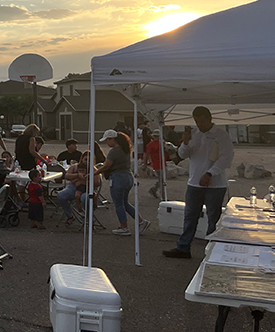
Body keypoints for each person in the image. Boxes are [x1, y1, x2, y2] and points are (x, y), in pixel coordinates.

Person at [163, 106, 234, 259]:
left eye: (202, 121)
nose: (199, 124)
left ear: (209, 119)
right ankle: (183, 248)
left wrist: (210, 173)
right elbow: (182, 154)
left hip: (215, 184)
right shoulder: (194, 133)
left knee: (213, 217)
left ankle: (212, 250)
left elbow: (226, 158)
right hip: (194, 182)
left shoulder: (221, 135)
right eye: (196, 121)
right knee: (190, 216)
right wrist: (186, 142)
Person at [97, 130, 149, 236]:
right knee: (125, 202)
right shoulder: (125, 149)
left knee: (119, 204)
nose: (107, 143)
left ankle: (124, 227)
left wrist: (95, 172)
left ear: (113, 139)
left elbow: (107, 165)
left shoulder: (114, 151)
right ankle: (141, 221)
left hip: (118, 178)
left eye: (107, 140)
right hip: (127, 177)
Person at [58, 151, 101, 226]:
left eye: (90, 160)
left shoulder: (94, 170)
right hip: (73, 187)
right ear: (82, 159)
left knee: (86, 198)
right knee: (61, 195)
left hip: (86, 189)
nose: (87, 162)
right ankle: (70, 216)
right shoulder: (75, 167)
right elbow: (67, 176)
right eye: (85, 160)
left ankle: (90, 219)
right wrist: (77, 175)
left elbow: (97, 183)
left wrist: (84, 180)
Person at [145, 130, 169, 199]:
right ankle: (163, 196)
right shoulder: (150, 144)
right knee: (162, 180)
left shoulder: (163, 143)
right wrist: (145, 163)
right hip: (156, 163)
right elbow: (147, 154)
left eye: (157, 136)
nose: (156, 137)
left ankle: (154, 189)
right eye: (155, 136)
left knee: (162, 179)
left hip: (163, 163)